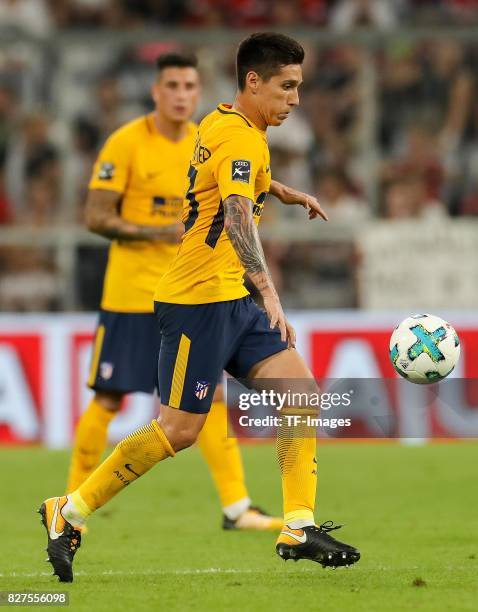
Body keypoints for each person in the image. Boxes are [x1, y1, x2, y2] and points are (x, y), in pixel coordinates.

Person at [39, 33, 360, 582]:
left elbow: (228, 181)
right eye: (287, 87)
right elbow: (235, 216)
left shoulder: (221, 122)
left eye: (299, 88)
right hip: (195, 304)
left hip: (230, 299)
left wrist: (281, 191)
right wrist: (270, 291)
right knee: (178, 432)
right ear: (253, 82)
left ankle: (298, 525)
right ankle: (66, 511)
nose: (296, 100)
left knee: (300, 394)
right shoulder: (241, 140)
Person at [67, 52, 282, 532]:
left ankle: (237, 506)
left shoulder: (205, 139)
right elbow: (95, 216)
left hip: (194, 292)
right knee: (107, 399)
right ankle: (73, 505)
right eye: (173, 86)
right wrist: (152, 231)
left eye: (190, 86)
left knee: (208, 403)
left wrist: (280, 189)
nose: (183, 96)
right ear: (156, 92)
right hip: (130, 293)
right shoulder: (126, 143)